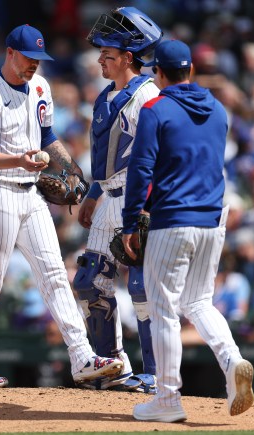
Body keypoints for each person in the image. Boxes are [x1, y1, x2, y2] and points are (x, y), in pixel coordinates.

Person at [0, 24, 124, 388]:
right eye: (29, 58)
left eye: (39, 59)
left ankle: (82, 357)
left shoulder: (41, 86)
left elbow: (48, 137)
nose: (34, 65)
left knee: (56, 274)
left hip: (30, 192)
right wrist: (19, 160)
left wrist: (73, 170)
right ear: (10, 52)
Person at [121, 40, 254, 422]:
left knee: (163, 309)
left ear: (158, 73)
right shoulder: (218, 109)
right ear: (191, 69)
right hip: (213, 220)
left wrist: (131, 221)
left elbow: (141, 170)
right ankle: (233, 363)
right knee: (198, 301)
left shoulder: (155, 108)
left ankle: (167, 399)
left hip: (173, 220)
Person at [73, 7, 162, 394]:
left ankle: (157, 374)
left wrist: (147, 204)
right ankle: (111, 367)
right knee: (91, 281)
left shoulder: (149, 95)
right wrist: (93, 192)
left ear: (128, 58)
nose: (101, 61)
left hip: (137, 194)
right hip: (109, 192)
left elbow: (159, 154)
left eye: (108, 56)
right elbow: (102, 156)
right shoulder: (104, 96)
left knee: (142, 287)